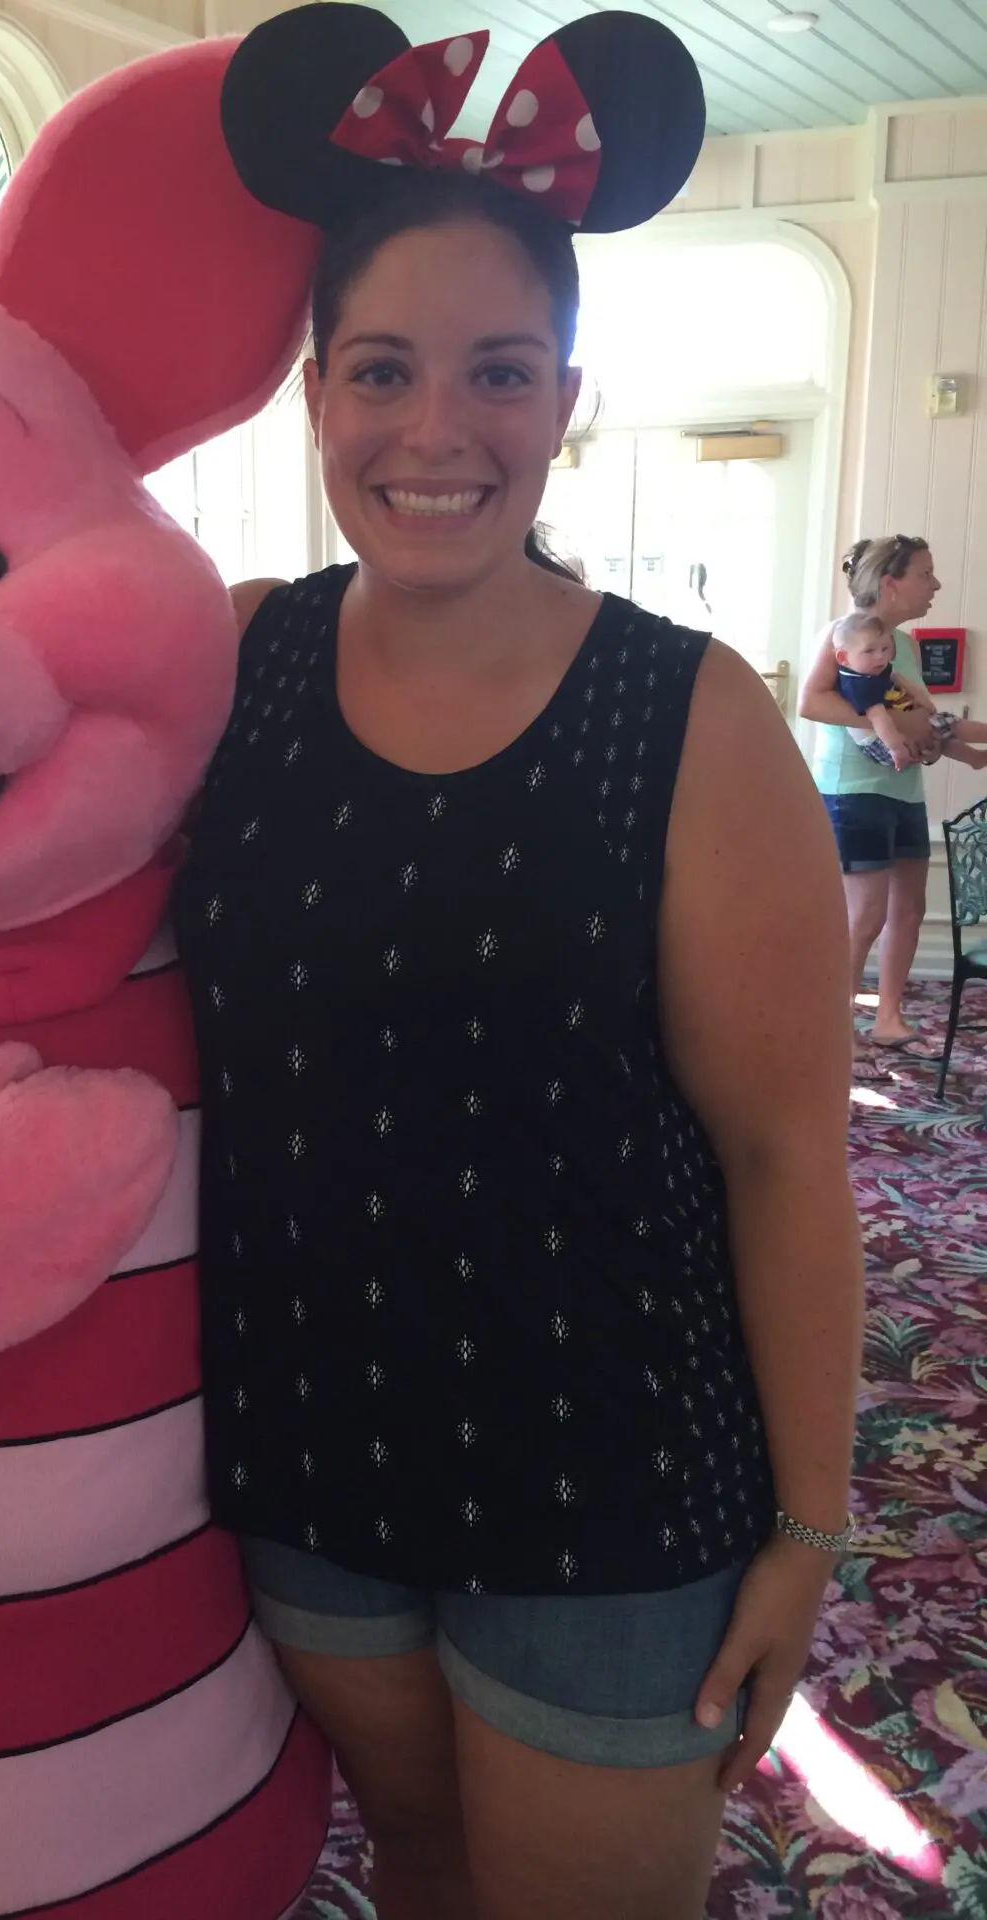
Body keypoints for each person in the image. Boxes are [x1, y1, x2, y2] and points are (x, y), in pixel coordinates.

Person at [175, 10, 865, 1919]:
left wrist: (808, 1532)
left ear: (565, 396)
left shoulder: (688, 713)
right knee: (415, 1869)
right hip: (314, 1453)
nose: (434, 434)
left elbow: (789, 1158)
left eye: (496, 374)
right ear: (315, 391)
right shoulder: (233, 662)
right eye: (383, 372)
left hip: (612, 1480)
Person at [799, 537, 986, 1065]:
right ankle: (837, 1028)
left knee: (909, 906)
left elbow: (921, 713)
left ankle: (887, 1018)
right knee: (866, 916)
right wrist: (888, 724)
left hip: (903, 788)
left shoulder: (905, 645)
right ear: (890, 582)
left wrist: (928, 741)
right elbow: (812, 701)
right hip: (854, 790)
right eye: (926, 573)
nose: (936, 584)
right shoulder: (844, 633)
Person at [830, 608, 987, 771]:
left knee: (942, 735)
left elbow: (896, 677)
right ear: (843, 658)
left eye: (885, 649)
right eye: (869, 650)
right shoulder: (859, 684)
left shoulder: (870, 669)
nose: (880, 656)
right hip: (880, 743)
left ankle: (975, 758)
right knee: (953, 724)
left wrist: (922, 700)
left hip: (891, 737)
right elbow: (880, 720)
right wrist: (896, 748)